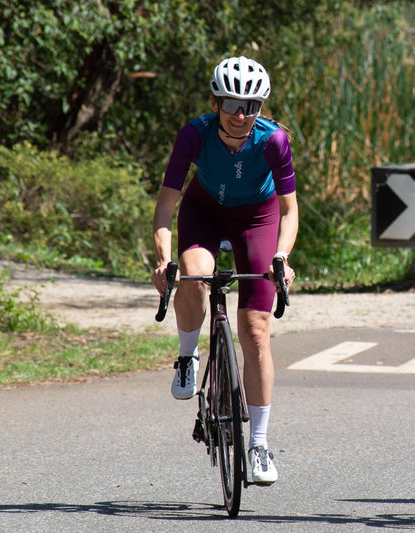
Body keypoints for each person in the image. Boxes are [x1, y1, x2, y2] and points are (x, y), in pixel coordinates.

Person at [151, 56, 298, 484]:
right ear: (216, 101)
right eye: (232, 103)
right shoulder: (194, 135)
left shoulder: (274, 141)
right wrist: (164, 261)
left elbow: (289, 212)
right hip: (205, 212)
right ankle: (186, 356)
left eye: (251, 106)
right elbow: (165, 206)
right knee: (194, 276)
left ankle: (259, 444)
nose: (241, 115)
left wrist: (283, 258)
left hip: (257, 218)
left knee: (255, 330)